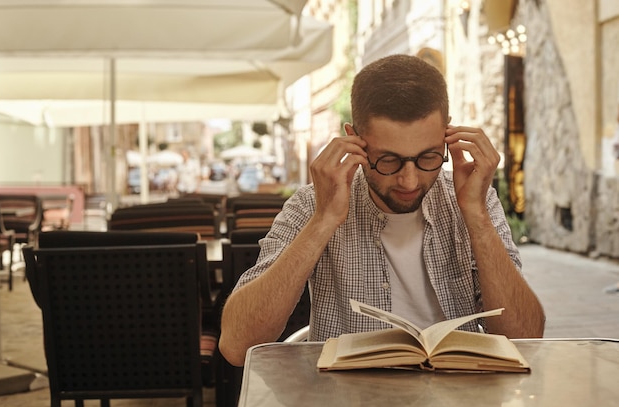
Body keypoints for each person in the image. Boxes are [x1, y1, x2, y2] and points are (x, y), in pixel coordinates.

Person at [219, 54, 546, 366]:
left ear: (448, 135)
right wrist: (323, 221)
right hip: (348, 397)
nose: (409, 179)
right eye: (388, 160)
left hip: (458, 391)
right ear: (354, 140)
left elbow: (526, 338)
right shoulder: (313, 204)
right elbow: (236, 346)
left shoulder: (474, 200)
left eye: (428, 157)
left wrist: (476, 217)